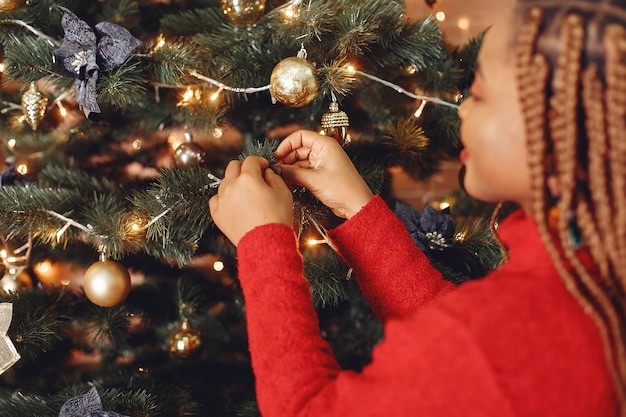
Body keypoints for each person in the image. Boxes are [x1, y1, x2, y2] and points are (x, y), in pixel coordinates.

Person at [209, 0, 626, 415]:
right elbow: (463, 361)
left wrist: (262, 240)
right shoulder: (587, 274)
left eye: (480, 95)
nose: (463, 108)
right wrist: (358, 207)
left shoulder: (511, 329)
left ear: (559, 126)